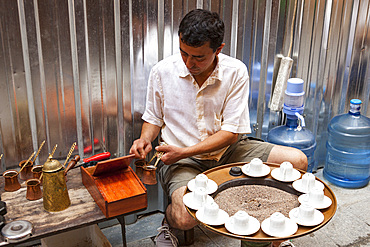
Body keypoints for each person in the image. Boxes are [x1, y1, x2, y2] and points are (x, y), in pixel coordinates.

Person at [130, 9, 307, 247]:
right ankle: (168, 223)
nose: (189, 63)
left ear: (218, 50)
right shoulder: (162, 71)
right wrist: (145, 139)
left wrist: (184, 151)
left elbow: (231, 133)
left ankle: (275, 236)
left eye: (199, 57)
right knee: (184, 217)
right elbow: (153, 117)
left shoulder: (235, 71)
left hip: (229, 151)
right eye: (184, 53)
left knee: (297, 161)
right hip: (180, 160)